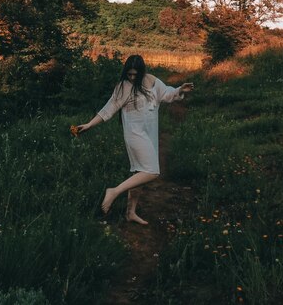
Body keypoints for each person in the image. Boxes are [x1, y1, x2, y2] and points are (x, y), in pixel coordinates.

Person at [76, 55, 194, 225]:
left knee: (139, 172)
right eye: (129, 74)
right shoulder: (123, 86)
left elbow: (167, 94)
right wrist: (89, 124)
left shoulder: (152, 80)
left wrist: (180, 90)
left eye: (134, 75)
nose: (132, 78)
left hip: (150, 133)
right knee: (152, 171)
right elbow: (108, 109)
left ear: (141, 72)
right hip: (134, 134)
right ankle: (114, 192)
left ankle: (130, 212)